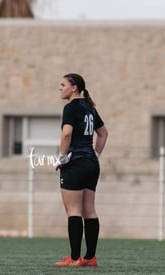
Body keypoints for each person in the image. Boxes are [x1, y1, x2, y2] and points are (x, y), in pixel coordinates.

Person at [54, 73, 108, 267]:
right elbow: (103, 134)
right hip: (91, 164)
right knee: (89, 210)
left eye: (63, 85)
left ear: (74, 87)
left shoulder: (70, 107)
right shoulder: (89, 107)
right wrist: (95, 155)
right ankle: (90, 258)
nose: (60, 88)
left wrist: (62, 158)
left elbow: (67, 133)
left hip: (75, 162)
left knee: (74, 210)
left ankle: (74, 258)